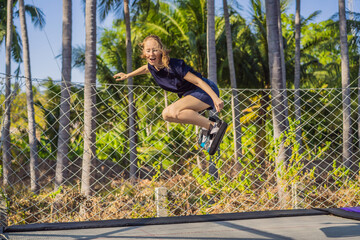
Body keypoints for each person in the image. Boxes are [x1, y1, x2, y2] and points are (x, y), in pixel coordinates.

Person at [113, 35, 227, 155]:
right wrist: (127, 75)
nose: (151, 53)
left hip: (206, 90)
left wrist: (215, 98)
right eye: (148, 50)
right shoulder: (152, 66)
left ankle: (213, 126)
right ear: (144, 52)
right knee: (168, 115)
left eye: (155, 50)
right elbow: (145, 69)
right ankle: (210, 125)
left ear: (161, 51)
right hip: (192, 94)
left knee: (169, 112)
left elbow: (198, 81)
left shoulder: (174, 66)